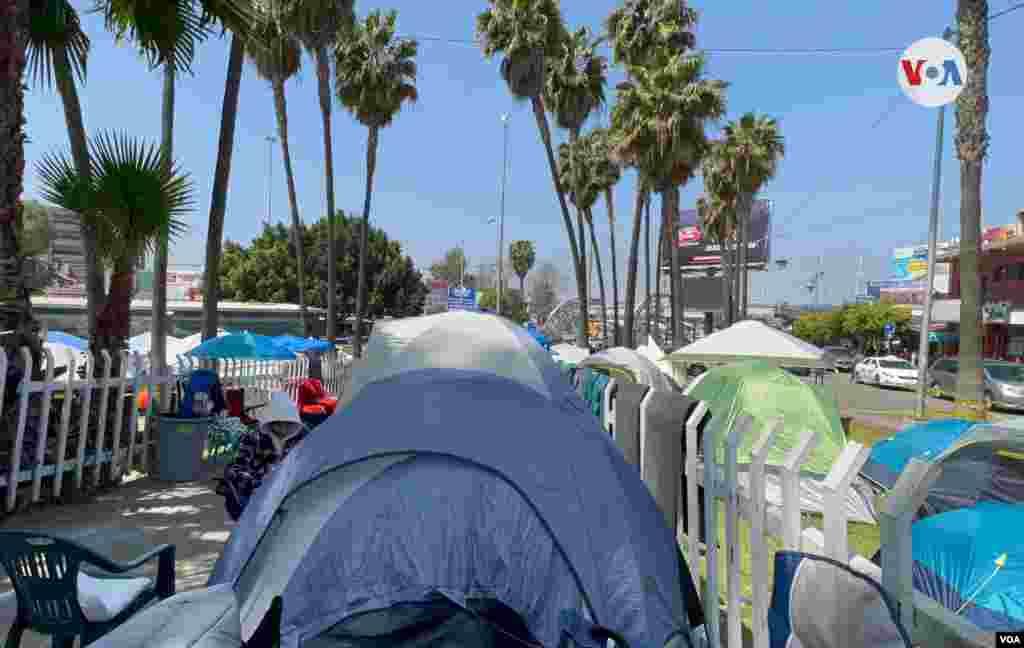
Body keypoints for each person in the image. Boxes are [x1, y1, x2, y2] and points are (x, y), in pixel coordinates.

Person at [216, 391, 310, 521]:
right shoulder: (254, 437)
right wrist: (260, 483)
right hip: (257, 491)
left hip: (288, 490)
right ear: (271, 422)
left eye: (287, 423)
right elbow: (236, 468)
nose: (283, 428)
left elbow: (308, 464)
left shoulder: (302, 437)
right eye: (278, 423)